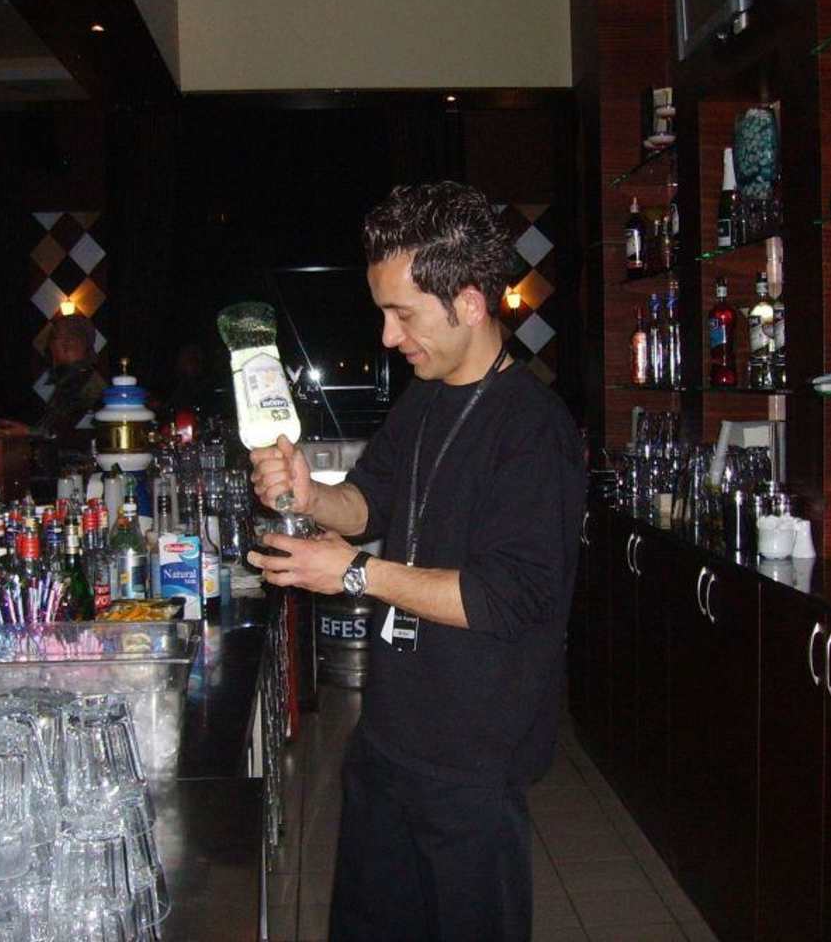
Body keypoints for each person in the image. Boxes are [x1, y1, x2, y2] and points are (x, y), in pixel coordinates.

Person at [247, 181, 586, 941]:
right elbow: (369, 502)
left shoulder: (533, 431)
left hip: (473, 760)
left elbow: (507, 596)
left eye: (403, 314)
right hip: (390, 737)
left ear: (469, 302)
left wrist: (354, 574)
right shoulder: (425, 399)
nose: (387, 336)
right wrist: (310, 491)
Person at [0, 313, 103, 460]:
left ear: (68, 344)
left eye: (52, 340)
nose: (49, 347)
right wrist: (23, 431)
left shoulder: (87, 385)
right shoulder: (76, 381)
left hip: (78, 470)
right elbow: (57, 430)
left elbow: (76, 437)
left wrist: (27, 432)